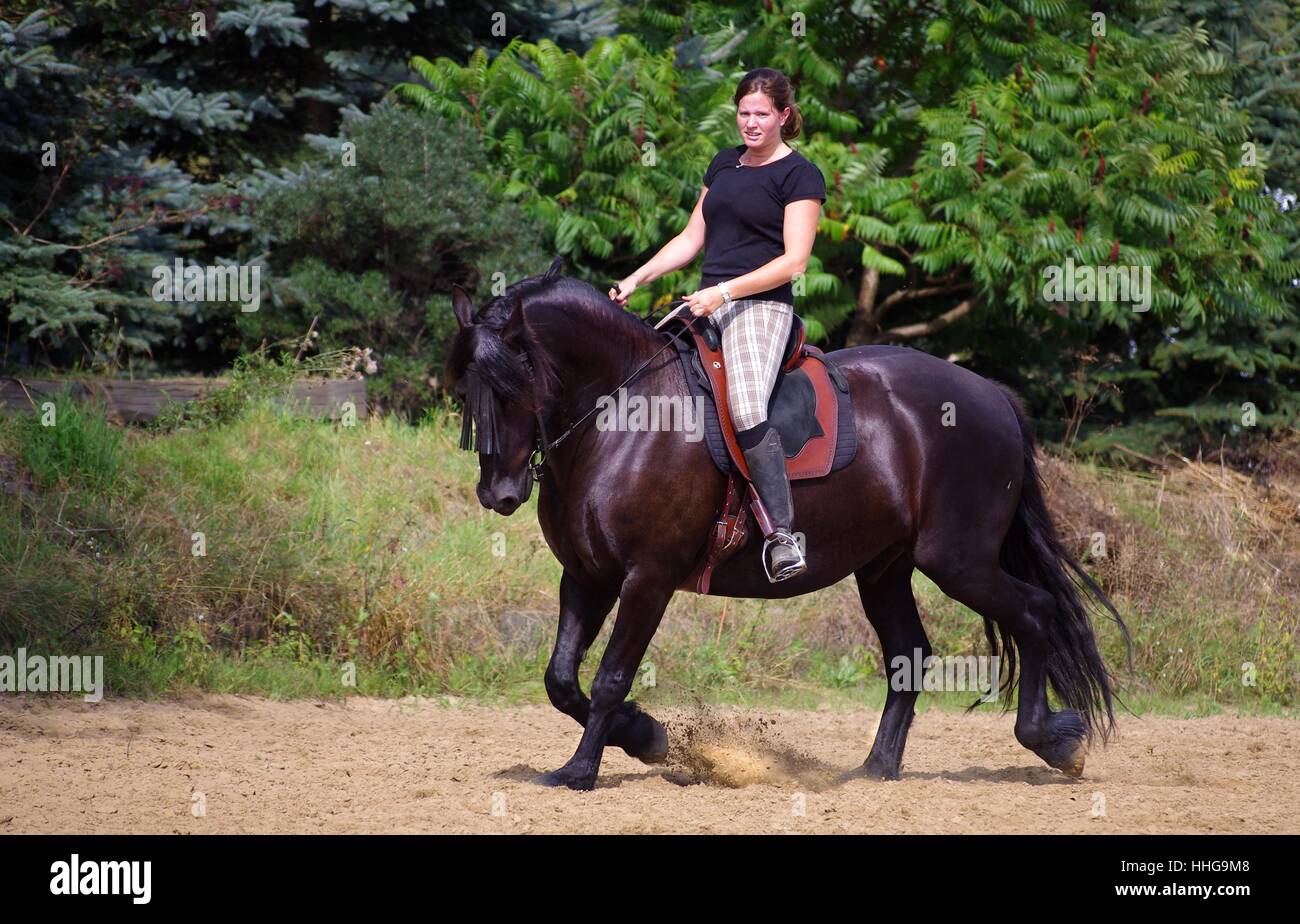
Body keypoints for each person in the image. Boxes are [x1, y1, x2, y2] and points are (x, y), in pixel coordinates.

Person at [609, 67, 826, 582]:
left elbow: (794, 262)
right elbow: (691, 238)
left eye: (762, 115)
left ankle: (781, 536)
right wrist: (636, 278)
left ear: (784, 117)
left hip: (759, 307)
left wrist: (723, 292)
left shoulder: (801, 176)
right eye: (744, 113)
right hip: (705, 302)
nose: (751, 123)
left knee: (747, 403)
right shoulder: (723, 164)